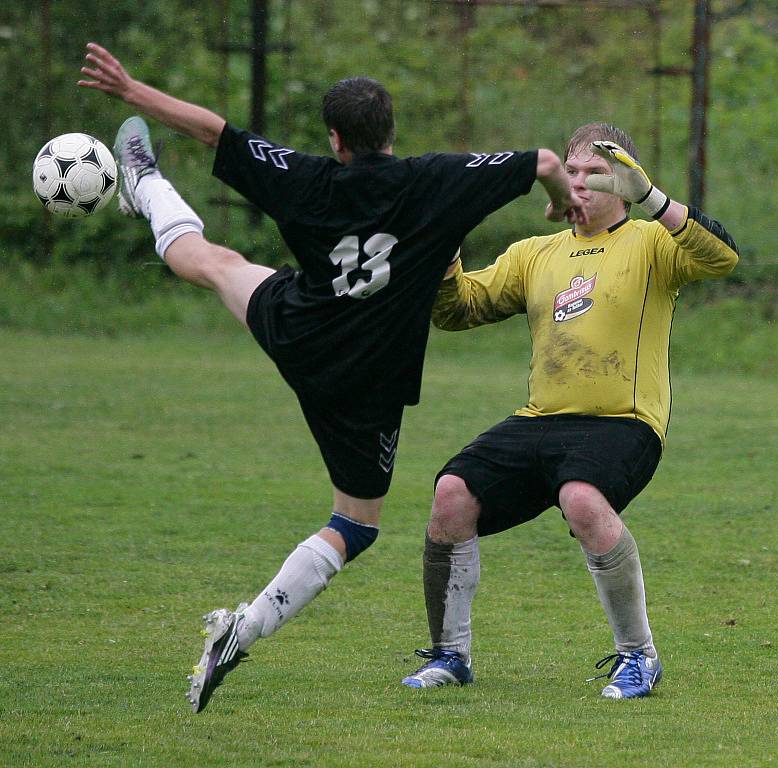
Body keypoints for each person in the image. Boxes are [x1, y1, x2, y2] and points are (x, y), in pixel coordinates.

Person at [77, 42, 585, 713]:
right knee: (355, 523)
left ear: (336, 139)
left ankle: (142, 182)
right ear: (390, 133)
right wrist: (556, 203)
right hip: (369, 382)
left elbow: (211, 130)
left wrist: (131, 90)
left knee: (213, 263)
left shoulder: (307, 179)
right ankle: (244, 628)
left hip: (301, 330)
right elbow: (548, 163)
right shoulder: (436, 180)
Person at [401, 123, 739, 698]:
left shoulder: (652, 242)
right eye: (570, 171)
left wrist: (653, 201)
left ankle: (640, 658)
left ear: (623, 181)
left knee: (581, 497)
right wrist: (443, 252)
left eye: (594, 173)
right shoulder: (535, 253)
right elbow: (459, 311)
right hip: (542, 419)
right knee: (450, 493)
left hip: (623, 422)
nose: (577, 183)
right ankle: (450, 656)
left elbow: (724, 258)